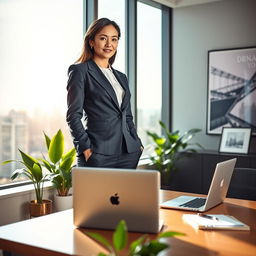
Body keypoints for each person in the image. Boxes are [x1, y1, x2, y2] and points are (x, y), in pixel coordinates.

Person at [66, 18, 143, 169]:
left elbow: (127, 115)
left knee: (125, 193)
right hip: (97, 153)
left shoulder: (121, 77)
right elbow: (73, 115)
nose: (109, 44)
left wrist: (137, 142)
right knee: (94, 193)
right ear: (91, 42)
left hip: (128, 152)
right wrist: (85, 148)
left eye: (114, 39)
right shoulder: (80, 71)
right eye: (103, 38)